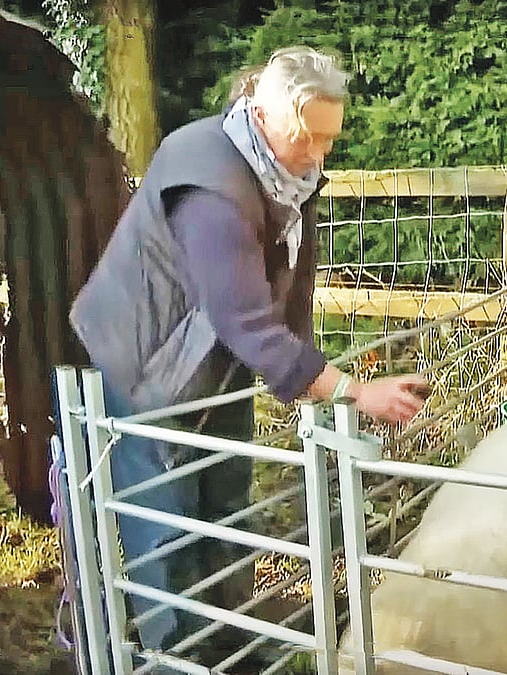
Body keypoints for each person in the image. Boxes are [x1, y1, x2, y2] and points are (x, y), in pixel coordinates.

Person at [67, 46, 429, 670]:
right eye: (308, 136)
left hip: (216, 363)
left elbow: (288, 291)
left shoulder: (290, 173)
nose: (320, 154)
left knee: (226, 506)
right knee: (169, 524)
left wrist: (305, 379)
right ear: (261, 114)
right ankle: (173, 657)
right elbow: (242, 317)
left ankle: (229, 645)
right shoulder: (210, 181)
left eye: (330, 138)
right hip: (146, 363)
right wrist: (350, 391)